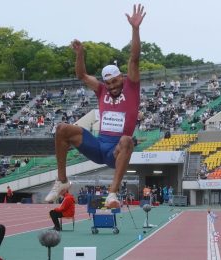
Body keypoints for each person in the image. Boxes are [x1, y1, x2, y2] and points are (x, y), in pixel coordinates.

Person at [45, 4, 146, 209]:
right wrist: (80, 54)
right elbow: (81, 75)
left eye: (115, 81)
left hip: (115, 151)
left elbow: (134, 58)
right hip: (98, 145)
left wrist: (135, 29)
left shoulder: (131, 85)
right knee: (62, 129)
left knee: (127, 140)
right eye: (108, 83)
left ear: (121, 77)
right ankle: (62, 181)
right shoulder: (101, 90)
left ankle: (112, 194)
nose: (111, 86)